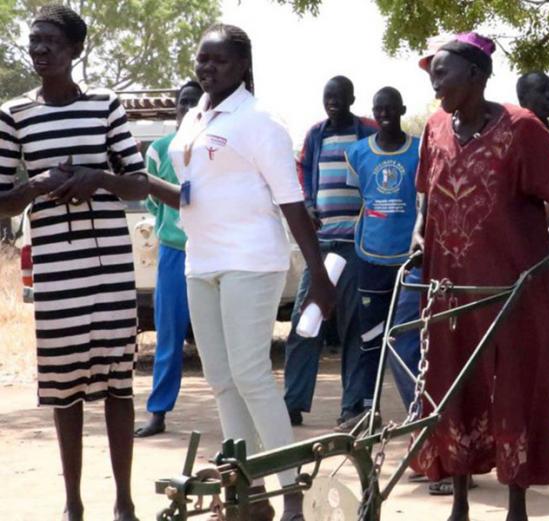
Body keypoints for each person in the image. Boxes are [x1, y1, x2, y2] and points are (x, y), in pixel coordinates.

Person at [147, 23, 335, 521]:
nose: (208, 68)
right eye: (202, 59)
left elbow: (291, 203)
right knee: (222, 379)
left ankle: (290, 493)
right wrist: (123, 180)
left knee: (252, 375)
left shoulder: (259, 121)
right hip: (200, 261)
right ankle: (247, 495)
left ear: (243, 66)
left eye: (220, 61)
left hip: (251, 260)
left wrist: (319, 275)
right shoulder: (194, 119)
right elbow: (191, 193)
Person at [412, 32, 549, 521]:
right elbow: (429, 191)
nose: (435, 83)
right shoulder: (435, 128)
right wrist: (420, 232)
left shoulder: (521, 127)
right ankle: (461, 502)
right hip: (449, 286)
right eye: (432, 74)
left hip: (513, 286)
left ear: (476, 74)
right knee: (451, 384)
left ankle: (516, 507)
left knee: (515, 387)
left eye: (442, 72)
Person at [0, 6, 150, 520]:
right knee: (64, 389)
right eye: (33, 42)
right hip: (56, 267)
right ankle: (72, 504)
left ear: (75, 50)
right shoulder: (12, 113)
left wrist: (96, 178)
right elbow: (2, 200)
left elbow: (138, 183)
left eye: (50, 43)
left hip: (109, 262)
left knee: (116, 384)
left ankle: (125, 503)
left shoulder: (106, 106)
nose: (39, 51)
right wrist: (37, 186)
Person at [285, 75, 379, 428]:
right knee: (305, 322)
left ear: (352, 98)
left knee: (354, 325)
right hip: (320, 245)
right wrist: (308, 204)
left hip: (357, 245)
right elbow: (303, 172)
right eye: (328, 97)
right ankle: (293, 403)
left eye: (339, 97)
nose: (333, 102)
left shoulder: (367, 131)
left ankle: (351, 406)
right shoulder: (315, 134)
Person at [344, 86, 421, 410]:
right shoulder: (358, 153)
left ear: (402, 109)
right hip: (370, 254)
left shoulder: (420, 150)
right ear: (373, 113)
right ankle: (365, 407)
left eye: (390, 108)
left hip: (410, 258)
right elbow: (358, 199)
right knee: (371, 338)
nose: (385, 114)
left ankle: (419, 408)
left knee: (411, 338)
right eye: (379, 109)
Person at [134, 80, 204, 438]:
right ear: (175, 108)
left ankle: (240, 417)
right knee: (169, 336)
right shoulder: (159, 150)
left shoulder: (212, 146)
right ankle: (158, 412)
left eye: (195, 103)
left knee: (222, 339)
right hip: (175, 253)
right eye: (183, 102)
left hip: (213, 250)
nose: (189, 108)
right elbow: (152, 202)